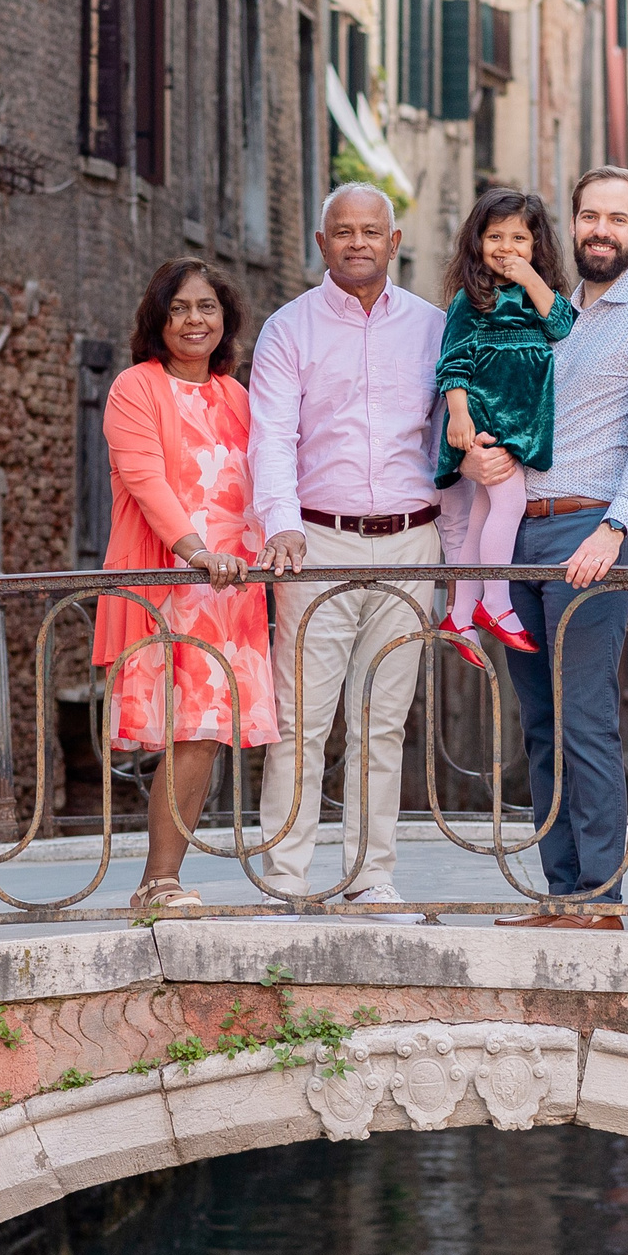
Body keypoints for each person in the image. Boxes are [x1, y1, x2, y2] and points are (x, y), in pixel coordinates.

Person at [463, 166, 628, 932]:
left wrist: (614, 530)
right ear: (573, 223)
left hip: (591, 532)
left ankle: (601, 898)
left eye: (616, 219)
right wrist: (473, 456)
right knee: (537, 721)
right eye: (589, 215)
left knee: (585, 714)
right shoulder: (532, 312)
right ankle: (559, 891)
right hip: (515, 527)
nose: (601, 229)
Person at [247, 183, 455, 913]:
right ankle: (285, 879)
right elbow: (269, 435)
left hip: (409, 540)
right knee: (300, 716)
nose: (358, 242)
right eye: (344, 231)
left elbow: (448, 437)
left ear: (394, 242)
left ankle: (370, 876)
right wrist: (280, 523)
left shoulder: (436, 328)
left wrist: (453, 545)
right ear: (321, 242)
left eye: (372, 231)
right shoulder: (287, 330)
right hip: (316, 540)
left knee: (383, 718)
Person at [93, 259, 277, 913]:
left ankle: (161, 880)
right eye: (179, 308)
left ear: (225, 320)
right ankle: (159, 882)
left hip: (235, 591)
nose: (194, 319)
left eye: (206, 307)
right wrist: (197, 554)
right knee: (189, 731)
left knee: (208, 732)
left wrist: (276, 540)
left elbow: (267, 478)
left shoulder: (237, 395)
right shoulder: (135, 389)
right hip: (172, 583)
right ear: (157, 318)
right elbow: (145, 481)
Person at [433, 188, 577, 660]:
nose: (507, 247)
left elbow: (561, 324)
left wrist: (532, 277)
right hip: (487, 419)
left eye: (520, 238)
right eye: (495, 236)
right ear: (477, 242)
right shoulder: (471, 299)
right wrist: (458, 416)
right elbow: (453, 362)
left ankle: (460, 614)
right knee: (510, 504)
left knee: (481, 514)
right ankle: (495, 603)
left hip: (522, 419)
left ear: (537, 247)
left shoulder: (536, 298)